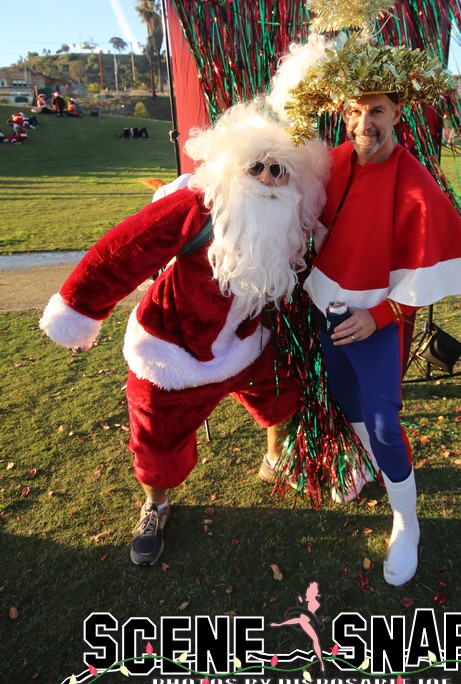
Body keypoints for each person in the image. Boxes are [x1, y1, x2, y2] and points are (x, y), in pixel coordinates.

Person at [40, 100, 329, 566]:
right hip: (172, 354)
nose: (270, 179)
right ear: (234, 168)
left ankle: (275, 458)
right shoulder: (199, 206)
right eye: (257, 167)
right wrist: (79, 308)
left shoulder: (291, 221)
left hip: (244, 345)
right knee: (155, 438)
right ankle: (155, 506)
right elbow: (124, 250)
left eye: (280, 170)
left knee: (283, 391)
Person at [302, 90, 461, 587]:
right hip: (328, 310)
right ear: (343, 115)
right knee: (345, 397)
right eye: (355, 111)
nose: (366, 122)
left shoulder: (414, 178)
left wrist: (381, 314)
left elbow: (432, 266)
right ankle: (367, 468)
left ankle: (406, 522)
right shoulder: (332, 161)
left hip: (377, 324)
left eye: (377, 110)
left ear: (397, 114)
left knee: (384, 421)